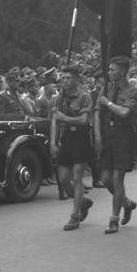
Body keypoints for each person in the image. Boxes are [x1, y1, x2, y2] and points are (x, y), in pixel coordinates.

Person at [94, 56, 137, 234]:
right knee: (106, 178)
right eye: (109, 69)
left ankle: (114, 219)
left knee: (117, 177)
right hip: (108, 135)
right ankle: (126, 203)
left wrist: (108, 102)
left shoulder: (132, 90)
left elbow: (124, 112)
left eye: (113, 69)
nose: (110, 72)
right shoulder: (106, 88)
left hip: (124, 136)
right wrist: (98, 136)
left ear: (122, 71)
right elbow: (97, 111)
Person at [51, 66, 94, 231]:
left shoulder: (85, 97)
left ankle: (75, 216)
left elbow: (84, 120)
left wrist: (65, 118)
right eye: (63, 78)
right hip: (66, 138)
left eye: (68, 78)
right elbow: (55, 121)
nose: (64, 81)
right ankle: (82, 202)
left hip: (81, 138)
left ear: (76, 80)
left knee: (77, 178)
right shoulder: (58, 98)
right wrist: (53, 143)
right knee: (63, 179)